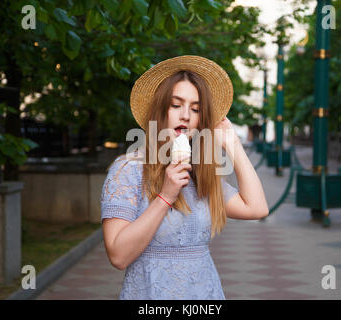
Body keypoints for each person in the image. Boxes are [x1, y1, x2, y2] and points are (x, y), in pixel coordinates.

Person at [100, 55, 269, 300]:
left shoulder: (201, 171)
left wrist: (233, 145)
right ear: (160, 110)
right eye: (176, 105)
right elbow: (118, 256)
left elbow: (257, 208)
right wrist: (165, 196)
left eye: (196, 108)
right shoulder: (128, 169)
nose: (186, 115)